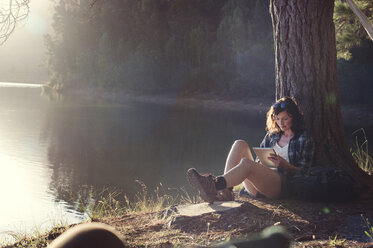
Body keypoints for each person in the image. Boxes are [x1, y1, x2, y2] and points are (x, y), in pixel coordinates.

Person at [187, 96, 314, 203]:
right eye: (278, 119)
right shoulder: (272, 136)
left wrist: (286, 166)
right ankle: (226, 192)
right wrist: (259, 162)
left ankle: (214, 185)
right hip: (259, 183)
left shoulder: (304, 140)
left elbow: (305, 174)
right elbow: (260, 158)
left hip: (282, 185)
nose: (281, 123)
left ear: (294, 117)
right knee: (239, 143)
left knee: (247, 164)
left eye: (285, 119)